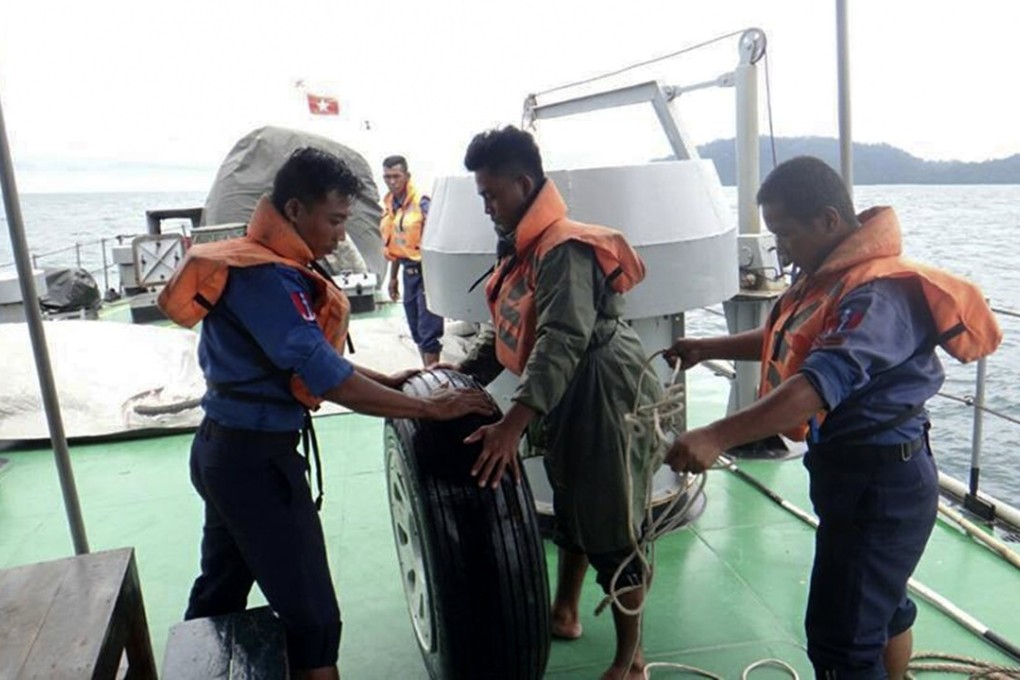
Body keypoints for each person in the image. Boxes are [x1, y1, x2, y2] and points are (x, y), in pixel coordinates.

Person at [157, 147, 493, 680]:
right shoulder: (268, 279)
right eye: (335, 220)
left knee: (220, 587)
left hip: (223, 450)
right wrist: (428, 407)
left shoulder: (258, 262)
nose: (341, 235)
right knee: (312, 619)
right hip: (256, 464)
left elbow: (298, 361)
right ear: (294, 209)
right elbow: (324, 376)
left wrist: (387, 379)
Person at [664, 156, 1001, 680]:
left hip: (880, 484)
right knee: (883, 609)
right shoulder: (832, 279)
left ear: (826, 220)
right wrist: (707, 346)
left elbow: (819, 381)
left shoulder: (876, 293)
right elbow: (790, 341)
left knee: (841, 644)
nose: (782, 249)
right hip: (858, 476)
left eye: (787, 235)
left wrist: (716, 434)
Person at [448, 125, 663, 680]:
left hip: (603, 391)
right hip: (568, 392)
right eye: (482, 197)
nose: (488, 207)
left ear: (524, 183)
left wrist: (512, 426)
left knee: (613, 524)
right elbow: (514, 327)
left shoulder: (563, 248)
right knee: (571, 501)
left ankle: (630, 661)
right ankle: (565, 611)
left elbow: (562, 337)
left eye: (492, 195)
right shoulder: (525, 248)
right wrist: (454, 375)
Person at [380, 154, 444, 366]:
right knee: (416, 328)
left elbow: (437, 234)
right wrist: (392, 278)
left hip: (426, 271)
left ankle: (435, 381)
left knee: (429, 331)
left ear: (407, 176)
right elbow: (398, 244)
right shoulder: (390, 204)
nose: (391, 182)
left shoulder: (421, 202)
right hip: (408, 273)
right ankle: (427, 372)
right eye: (387, 177)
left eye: (396, 176)